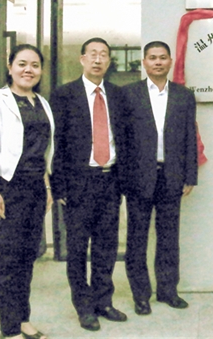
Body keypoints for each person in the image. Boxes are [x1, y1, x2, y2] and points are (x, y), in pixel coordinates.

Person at [50, 38, 128, 331]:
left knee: (106, 246)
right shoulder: (64, 95)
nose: (98, 59)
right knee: (77, 248)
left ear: (109, 61)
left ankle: (103, 301)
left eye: (103, 55)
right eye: (92, 54)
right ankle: (83, 307)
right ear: (82, 59)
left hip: (110, 180)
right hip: (78, 183)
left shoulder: (118, 95)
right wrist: (58, 186)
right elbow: (56, 143)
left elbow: (127, 140)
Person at [0, 44, 53, 339]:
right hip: (6, 188)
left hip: (35, 189)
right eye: (22, 64)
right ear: (10, 67)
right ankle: (9, 330)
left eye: (34, 65)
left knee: (26, 258)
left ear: (40, 70)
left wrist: (46, 186)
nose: (28, 70)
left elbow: (42, 150)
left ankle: (23, 319)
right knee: (8, 261)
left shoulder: (42, 103)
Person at [123, 41, 197, 315]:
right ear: (144, 62)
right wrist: (124, 178)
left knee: (168, 237)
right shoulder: (129, 94)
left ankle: (168, 291)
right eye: (152, 58)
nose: (157, 62)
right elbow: (123, 139)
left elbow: (190, 136)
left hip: (171, 175)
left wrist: (190, 175)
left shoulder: (183, 95)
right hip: (138, 177)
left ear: (170, 62)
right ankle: (141, 295)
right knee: (137, 238)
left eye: (162, 58)